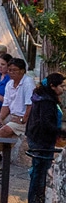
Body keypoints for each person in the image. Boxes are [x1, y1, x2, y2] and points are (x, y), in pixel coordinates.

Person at [25, 72, 66, 202]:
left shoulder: (42, 97)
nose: (64, 89)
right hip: (41, 140)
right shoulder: (46, 101)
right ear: (52, 86)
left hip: (37, 137)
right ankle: (35, 199)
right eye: (62, 86)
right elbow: (46, 123)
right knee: (40, 172)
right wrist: (62, 132)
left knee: (38, 171)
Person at [0, 58, 34, 150]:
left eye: (14, 70)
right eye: (9, 70)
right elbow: (6, 105)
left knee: (4, 130)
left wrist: (23, 120)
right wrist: (1, 118)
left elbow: (30, 105)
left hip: (24, 119)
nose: (11, 72)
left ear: (22, 71)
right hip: (12, 115)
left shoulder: (28, 83)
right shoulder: (9, 84)